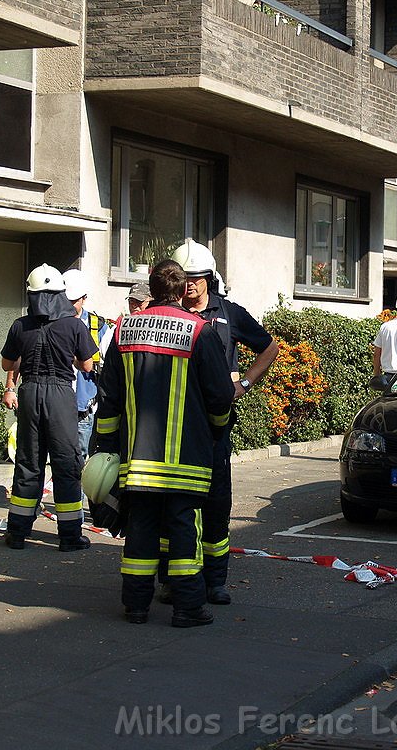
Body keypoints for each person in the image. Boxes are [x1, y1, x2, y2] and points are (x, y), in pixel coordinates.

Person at [93, 259, 234, 627]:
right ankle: (187, 608)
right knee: (184, 530)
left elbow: (109, 396)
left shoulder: (124, 329)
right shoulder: (198, 330)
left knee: (140, 529)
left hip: (138, 458)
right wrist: (217, 430)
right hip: (187, 458)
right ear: (180, 288)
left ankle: (136, 606)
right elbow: (220, 397)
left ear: (152, 289)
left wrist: (106, 446)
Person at [164, 238, 279, 605]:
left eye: (197, 278)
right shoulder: (167, 316)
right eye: (185, 278)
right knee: (175, 504)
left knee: (216, 504)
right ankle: (173, 578)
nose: (190, 285)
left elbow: (270, 347)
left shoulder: (228, 313)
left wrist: (244, 383)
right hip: (174, 424)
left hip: (215, 425)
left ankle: (215, 581)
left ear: (209, 278)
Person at [1, 263, 98, 551]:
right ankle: (69, 536)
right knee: (66, 464)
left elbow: (8, 363)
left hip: (29, 392)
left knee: (28, 463)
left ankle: (17, 533)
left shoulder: (20, 324)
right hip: (60, 395)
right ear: (60, 294)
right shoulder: (73, 324)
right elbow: (88, 364)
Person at [63, 268, 112, 459]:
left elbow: (109, 364)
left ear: (84, 298)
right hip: (59, 403)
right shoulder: (53, 323)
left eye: (73, 301)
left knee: (82, 457)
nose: (68, 306)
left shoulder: (97, 326)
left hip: (85, 406)